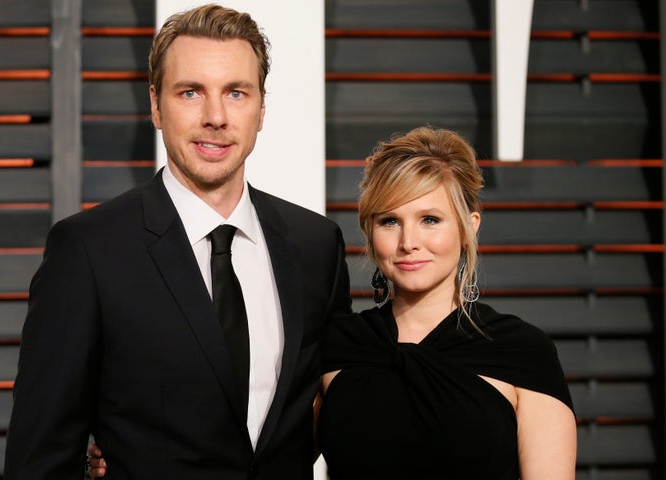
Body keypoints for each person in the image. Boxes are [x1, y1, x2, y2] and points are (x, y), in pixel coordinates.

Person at [88, 126, 578, 479]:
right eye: (390, 221)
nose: (409, 241)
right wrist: (137, 453)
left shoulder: (521, 352)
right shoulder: (338, 345)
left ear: (470, 226)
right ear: (369, 232)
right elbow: (257, 451)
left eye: (430, 219)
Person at [3, 3, 352, 479]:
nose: (216, 116)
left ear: (261, 108)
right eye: (191, 92)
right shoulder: (87, 251)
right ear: (155, 105)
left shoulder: (317, 245)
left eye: (236, 93)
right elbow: (39, 459)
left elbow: (338, 414)